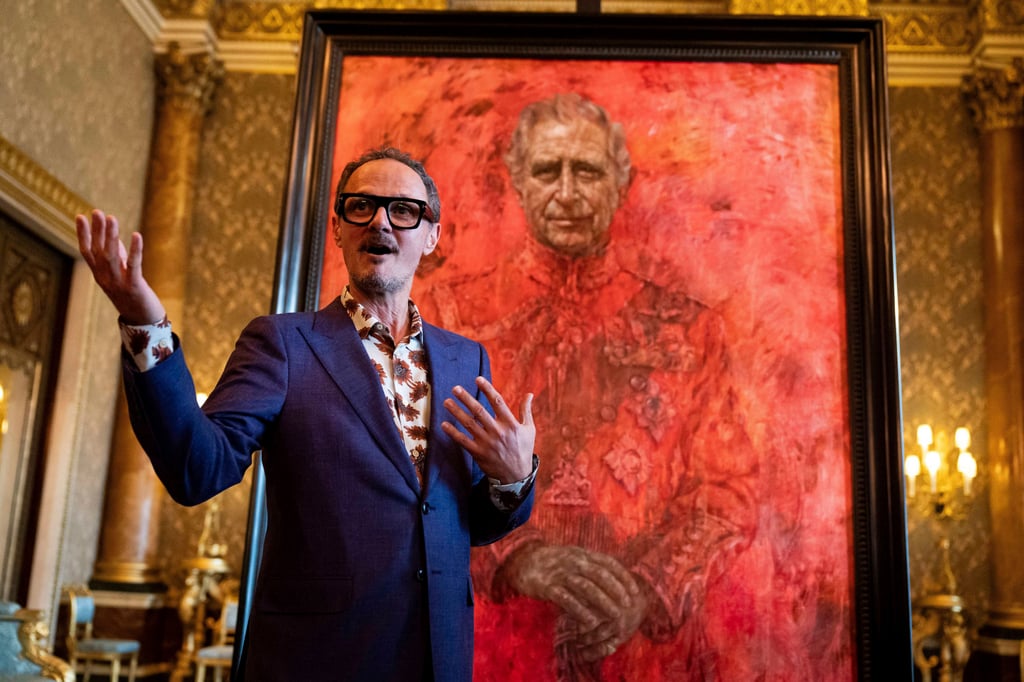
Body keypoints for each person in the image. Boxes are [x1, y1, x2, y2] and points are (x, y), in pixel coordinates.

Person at [75, 147, 539, 682]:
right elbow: (196, 468)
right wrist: (145, 325)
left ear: (431, 236)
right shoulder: (283, 344)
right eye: (362, 207)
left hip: (438, 658)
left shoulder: (466, 359)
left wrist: (513, 477)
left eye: (403, 210)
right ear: (339, 228)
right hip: (317, 657)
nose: (381, 222)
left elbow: (467, 522)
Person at [420, 93, 759, 681]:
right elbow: (413, 475)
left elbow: (729, 491)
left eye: (589, 171)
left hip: (645, 652)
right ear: (519, 180)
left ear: (620, 181)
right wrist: (514, 558)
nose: (569, 194)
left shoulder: (691, 327)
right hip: (489, 644)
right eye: (549, 171)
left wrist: (647, 586)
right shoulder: (449, 314)